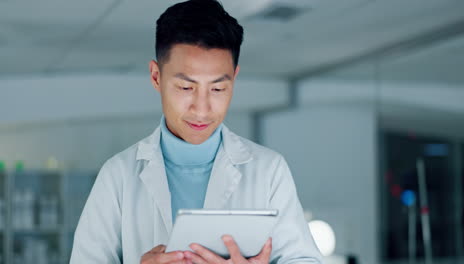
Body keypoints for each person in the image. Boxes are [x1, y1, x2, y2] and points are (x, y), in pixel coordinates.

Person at [70, 0, 323, 263]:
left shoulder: (269, 171)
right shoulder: (118, 176)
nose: (201, 109)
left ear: (234, 79)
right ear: (156, 77)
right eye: (185, 88)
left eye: (217, 89)